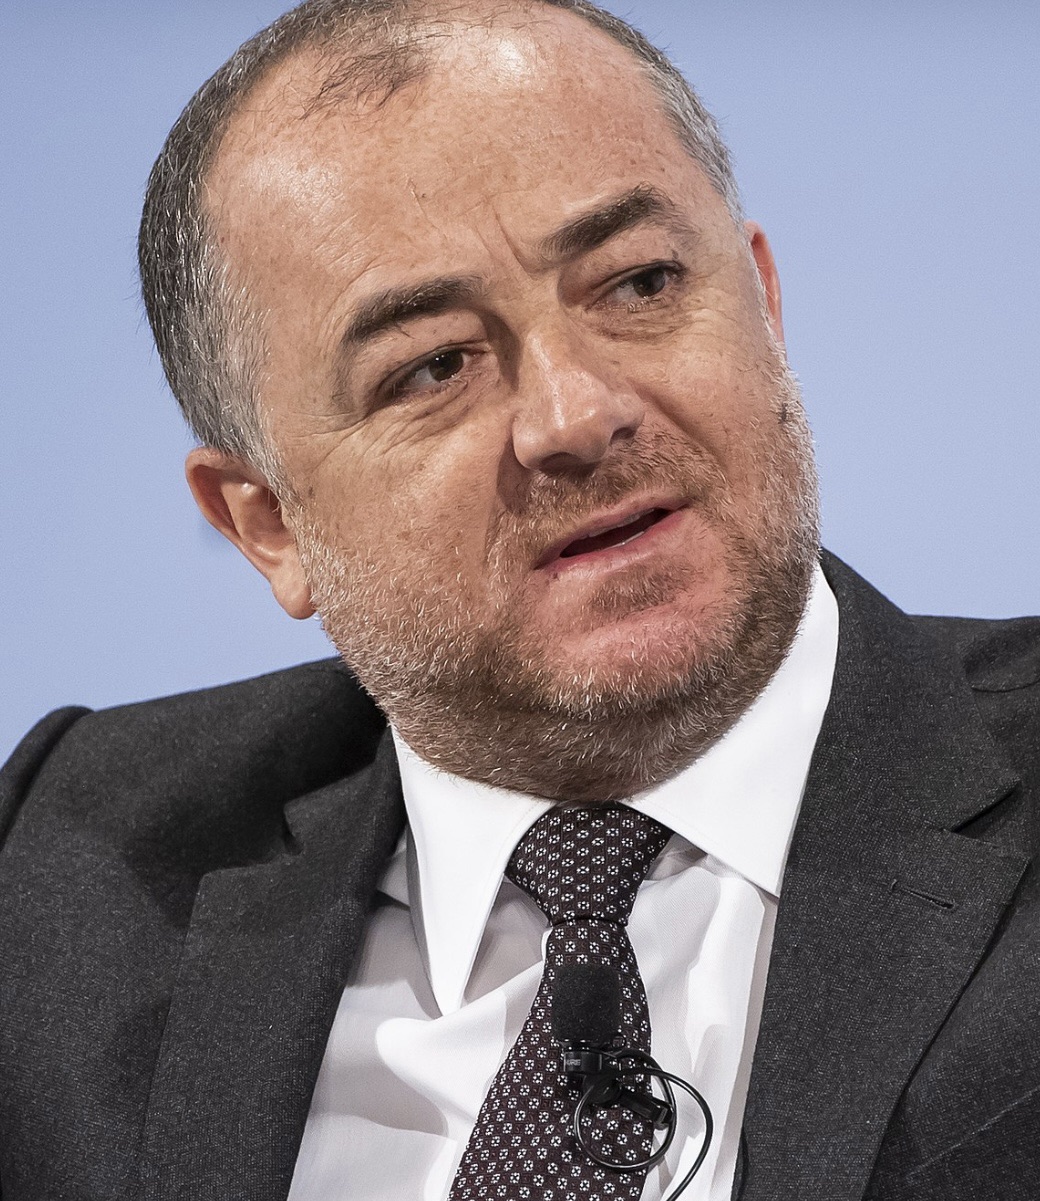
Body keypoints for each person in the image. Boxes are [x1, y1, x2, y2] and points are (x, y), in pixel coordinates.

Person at [1, 1, 1037, 1199]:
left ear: (763, 304)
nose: (574, 414)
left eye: (638, 282)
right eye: (432, 366)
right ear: (267, 522)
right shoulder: (65, 867)